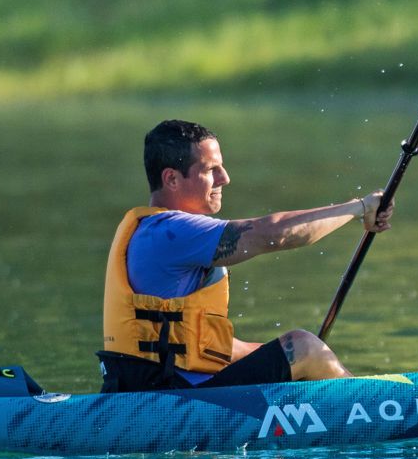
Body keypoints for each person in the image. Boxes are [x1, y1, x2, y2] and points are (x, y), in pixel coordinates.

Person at [101, 119, 391, 392]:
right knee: (302, 347)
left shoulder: (154, 231)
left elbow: (205, 344)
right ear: (172, 179)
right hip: (174, 399)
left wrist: (280, 361)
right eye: (210, 169)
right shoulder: (172, 231)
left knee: (299, 351)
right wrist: (360, 208)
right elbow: (275, 233)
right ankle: (378, 406)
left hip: (158, 391)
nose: (224, 178)